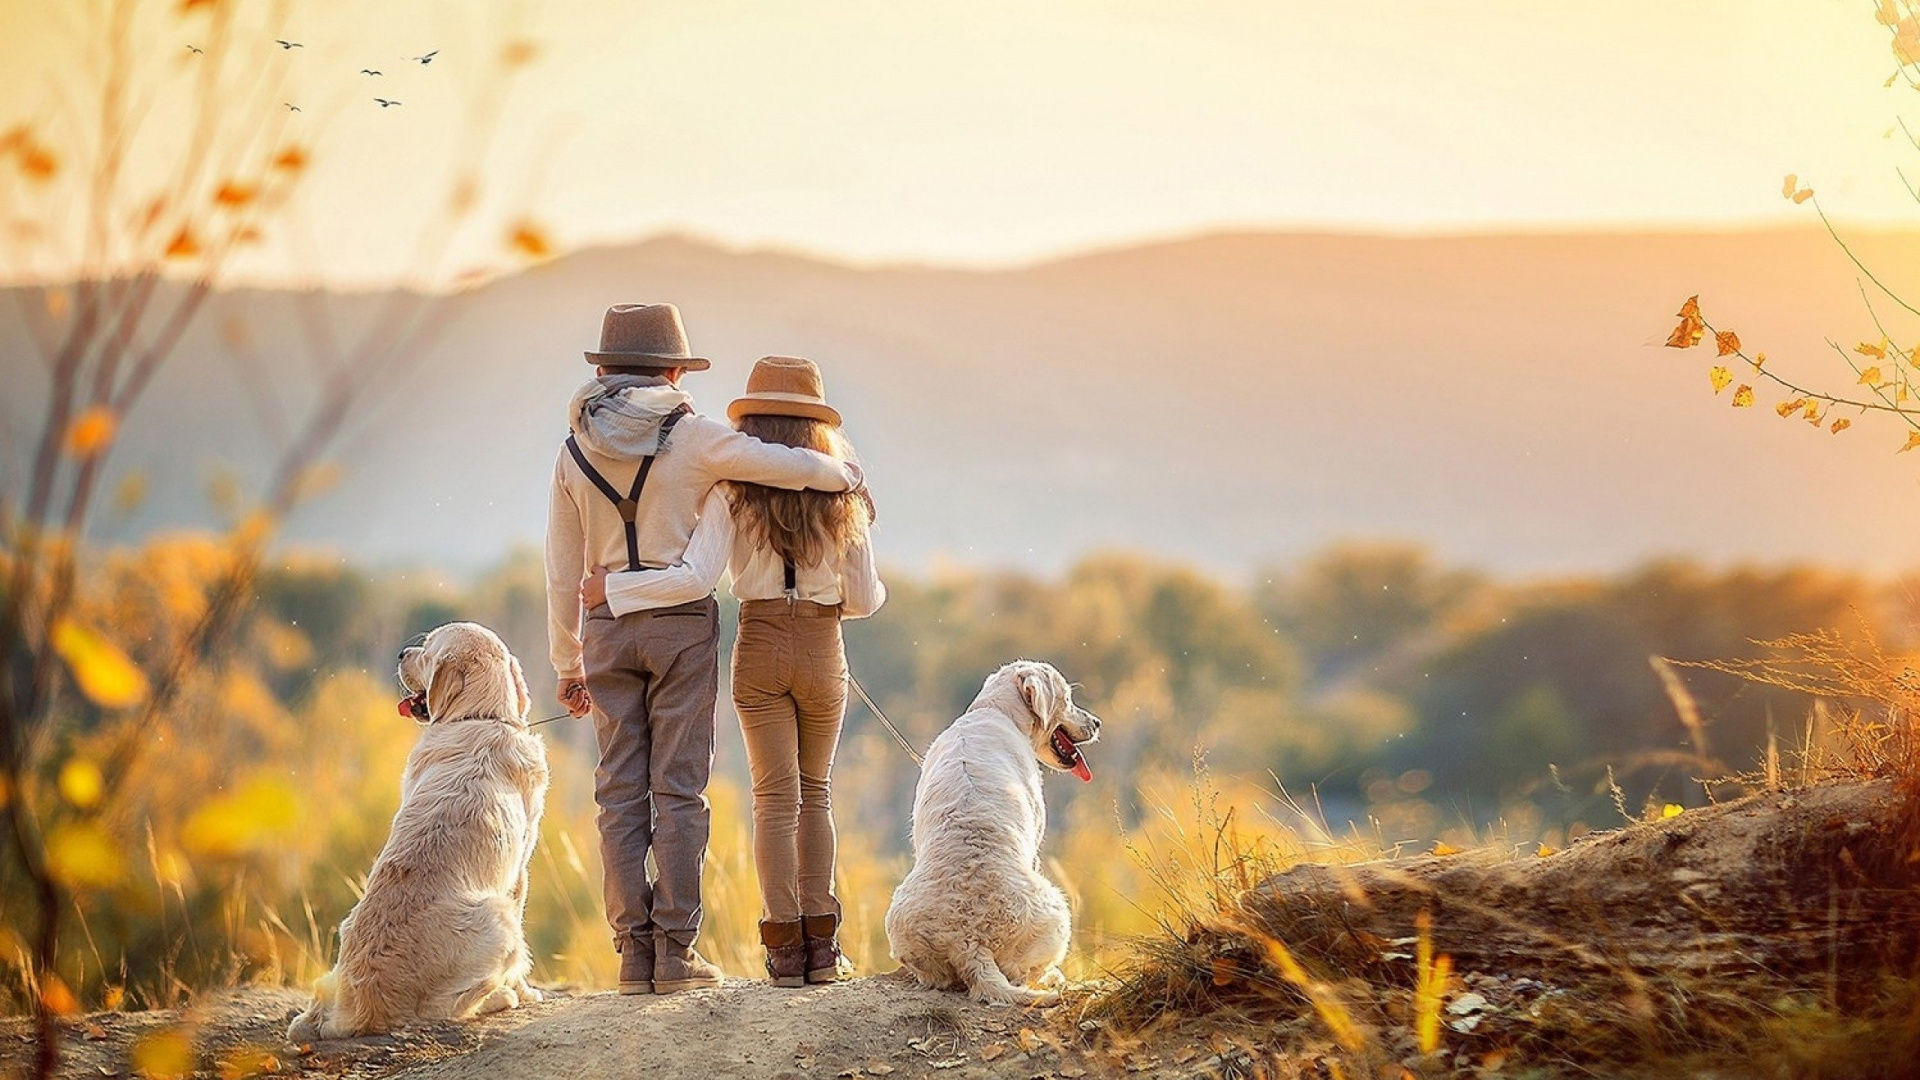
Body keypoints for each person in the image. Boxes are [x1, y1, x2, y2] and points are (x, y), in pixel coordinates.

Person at [546, 307, 863, 996]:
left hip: (604, 628)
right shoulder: (697, 441)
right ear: (672, 371)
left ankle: (633, 956)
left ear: (602, 371)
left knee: (618, 792)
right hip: (683, 628)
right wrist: (846, 472)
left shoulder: (572, 450)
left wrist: (569, 663)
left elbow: (561, 568)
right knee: (681, 790)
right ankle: (678, 953)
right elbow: (791, 468)